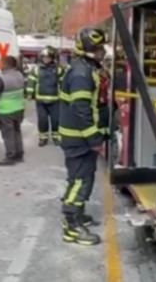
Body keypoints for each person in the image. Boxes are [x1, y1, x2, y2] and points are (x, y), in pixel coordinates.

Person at [59, 27, 108, 246]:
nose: (102, 52)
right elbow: (82, 109)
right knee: (81, 180)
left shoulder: (83, 68)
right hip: (78, 138)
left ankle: (77, 215)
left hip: (77, 137)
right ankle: (72, 226)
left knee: (79, 177)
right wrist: (94, 139)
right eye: (98, 48)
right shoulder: (81, 73)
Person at [0, 55, 26, 165]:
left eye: (0, 62)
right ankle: (19, 154)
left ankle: (10, 156)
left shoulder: (2, 79)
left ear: (5, 64)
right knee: (17, 131)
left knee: (8, 134)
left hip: (6, 110)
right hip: (19, 108)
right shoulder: (19, 75)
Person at [26, 46, 65, 146]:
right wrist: (30, 93)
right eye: (44, 57)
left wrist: (64, 95)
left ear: (52, 58)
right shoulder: (36, 69)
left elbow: (63, 83)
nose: (46, 59)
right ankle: (43, 138)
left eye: (48, 57)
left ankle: (56, 137)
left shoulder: (59, 69)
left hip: (55, 100)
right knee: (42, 120)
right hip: (40, 100)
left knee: (56, 120)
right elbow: (31, 81)